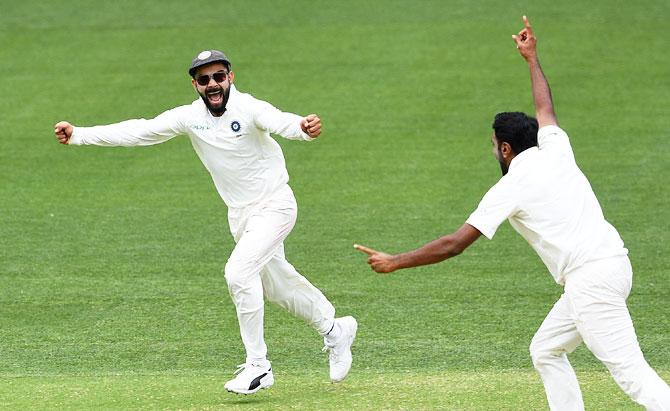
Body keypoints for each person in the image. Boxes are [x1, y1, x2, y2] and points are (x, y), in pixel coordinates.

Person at [355, 16, 670, 411]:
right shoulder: (555, 145)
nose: (492, 152)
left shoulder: (511, 187)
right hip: (613, 266)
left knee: (635, 378)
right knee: (546, 350)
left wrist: (396, 261)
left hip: (591, 281)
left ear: (506, 149)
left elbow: (455, 244)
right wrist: (531, 58)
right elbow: (545, 106)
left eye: (493, 146)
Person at [54, 49, 357, 395]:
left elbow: (278, 120)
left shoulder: (248, 107)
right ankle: (336, 330)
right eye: (204, 79)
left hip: (275, 206)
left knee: (238, 273)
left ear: (230, 77)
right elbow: (141, 130)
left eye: (218, 77)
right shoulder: (190, 117)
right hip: (241, 216)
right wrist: (79, 134)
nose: (212, 84)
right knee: (277, 286)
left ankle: (259, 366)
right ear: (195, 84)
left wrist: (302, 128)